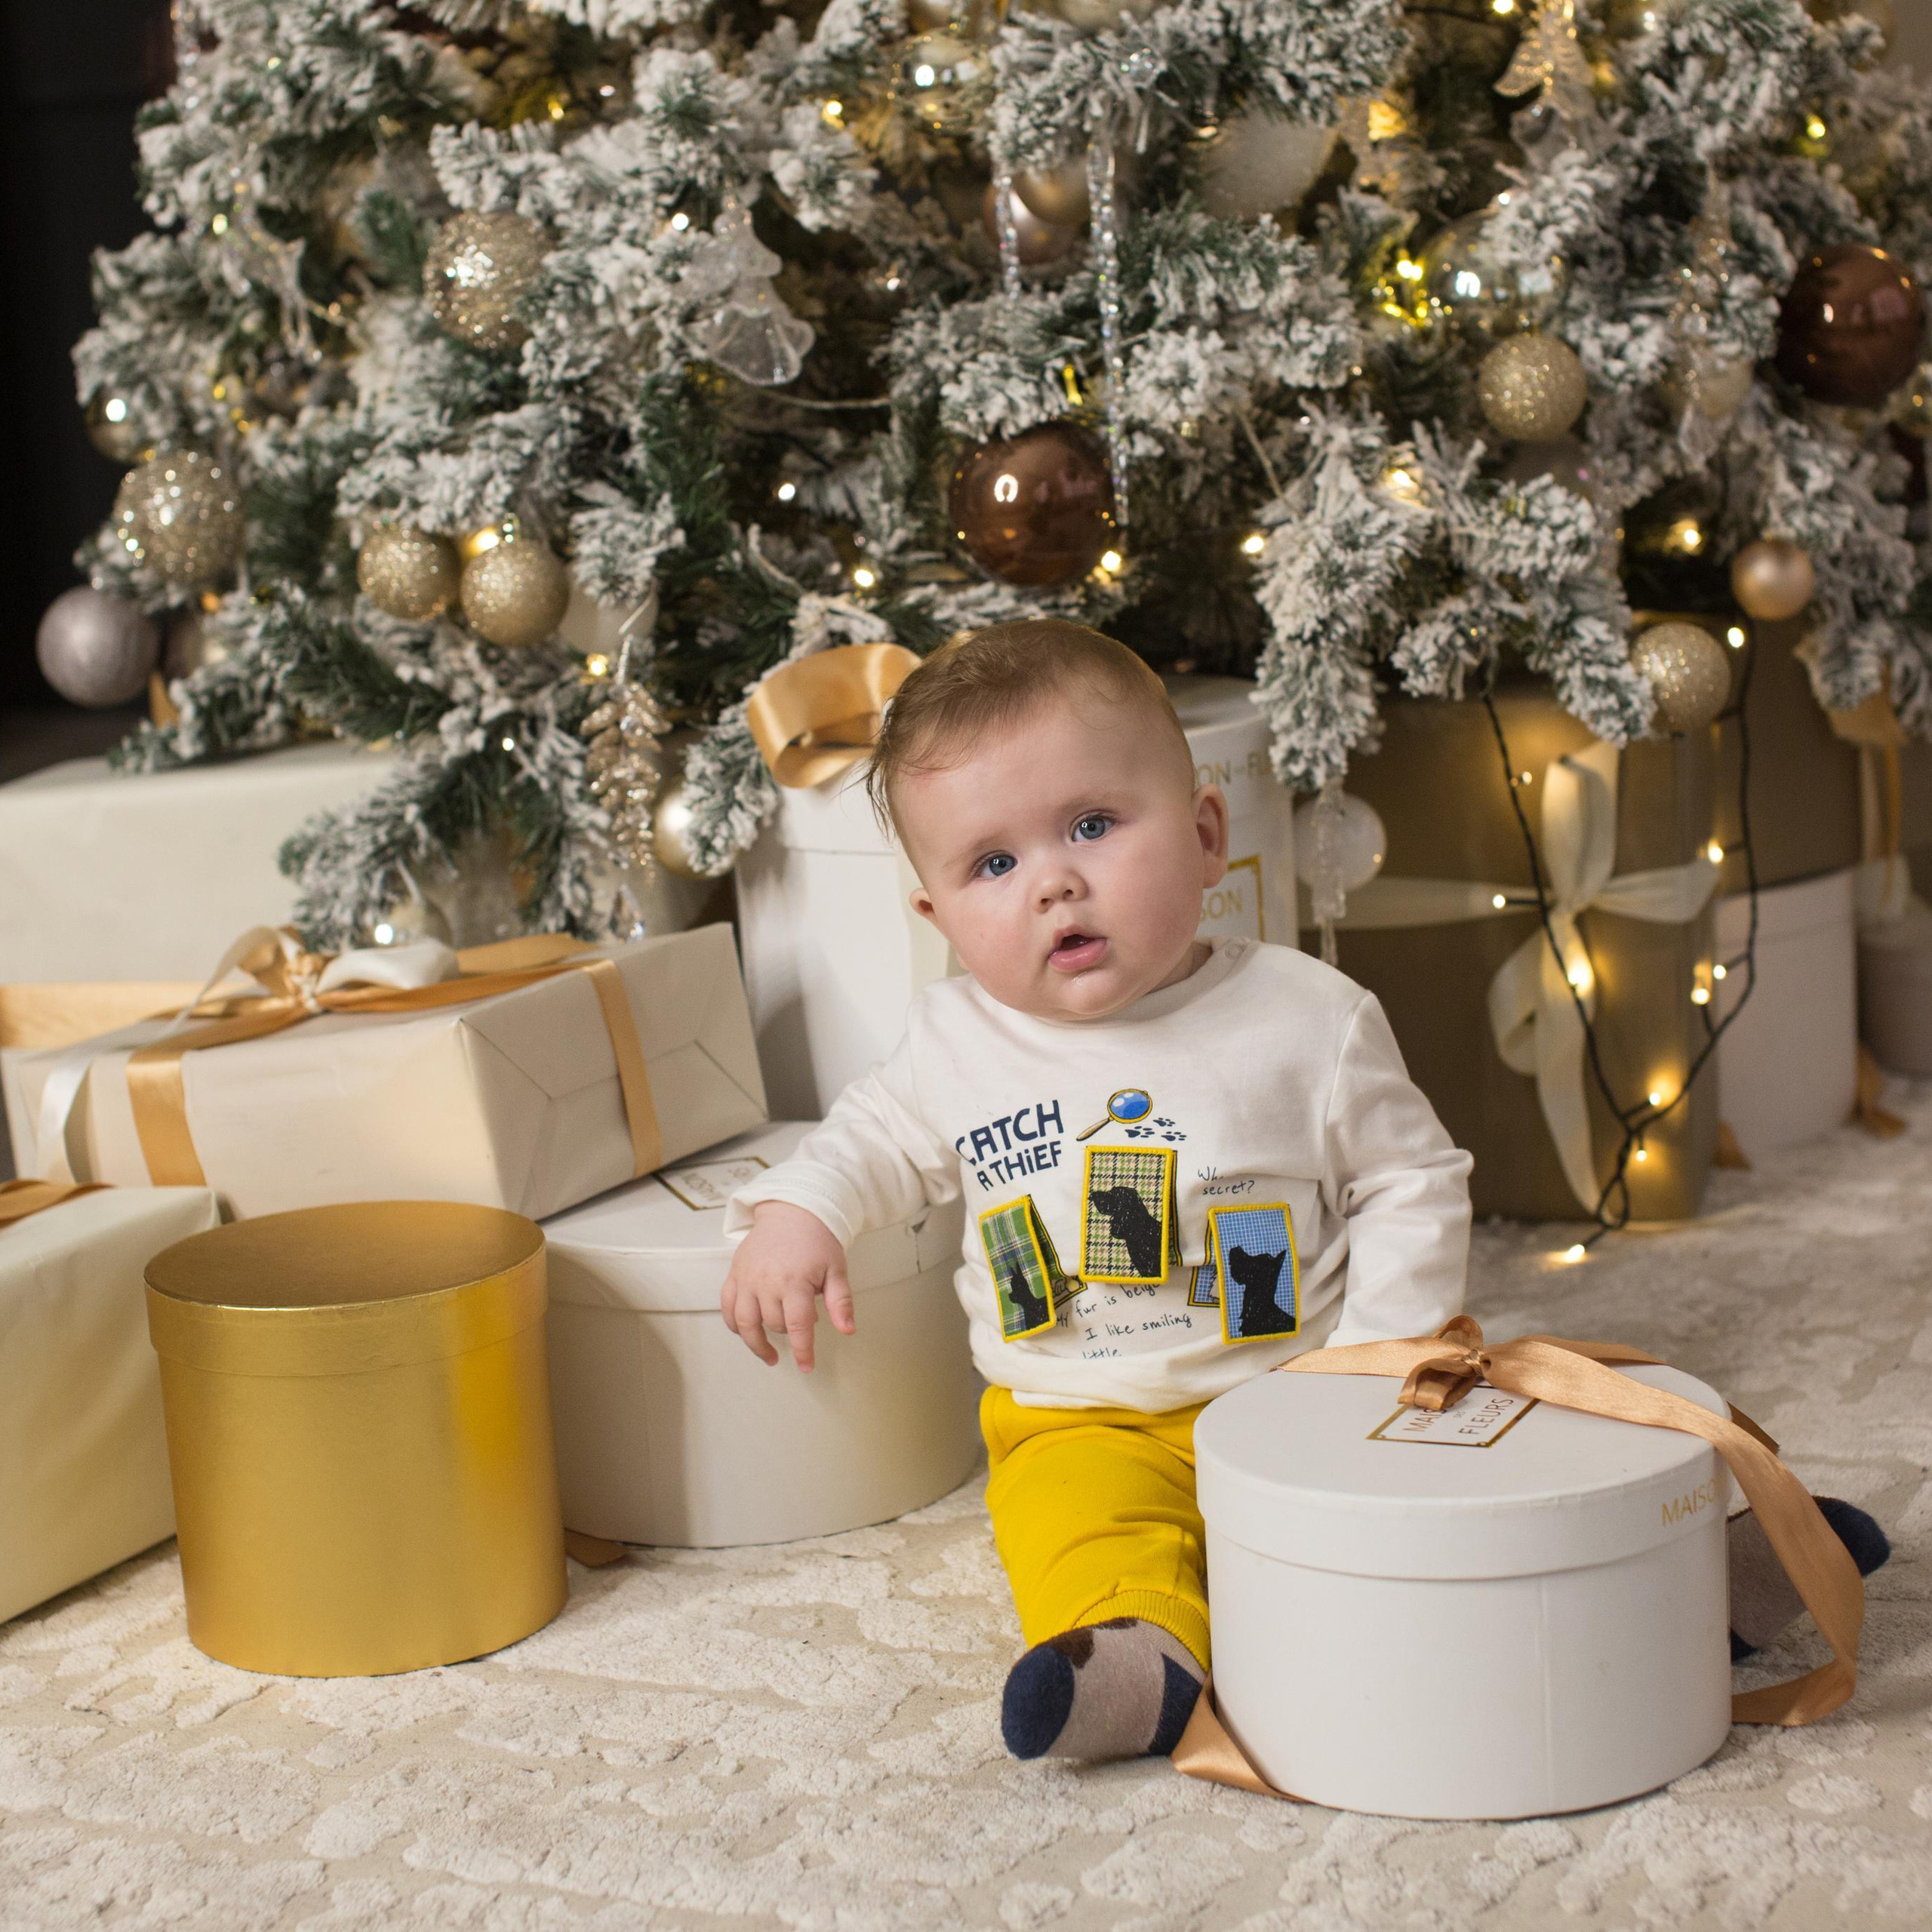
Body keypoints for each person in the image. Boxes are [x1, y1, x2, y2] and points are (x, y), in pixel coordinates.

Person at [720, 620, 1888, 1765]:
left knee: (1467, 1490)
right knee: (1074, 1524)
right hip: (1081, 1413)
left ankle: (1702, 1578)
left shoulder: (1302, 1016)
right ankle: (1137, 1657)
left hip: (1312, 1387)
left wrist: (1379, 1354)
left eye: (1092, 825)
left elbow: (1410, 1180)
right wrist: (797, 1212)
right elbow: (866, 1141)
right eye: (993, 864)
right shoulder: (953, 1043)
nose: (1054, 883)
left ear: (1205, 835)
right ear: (936, 915)